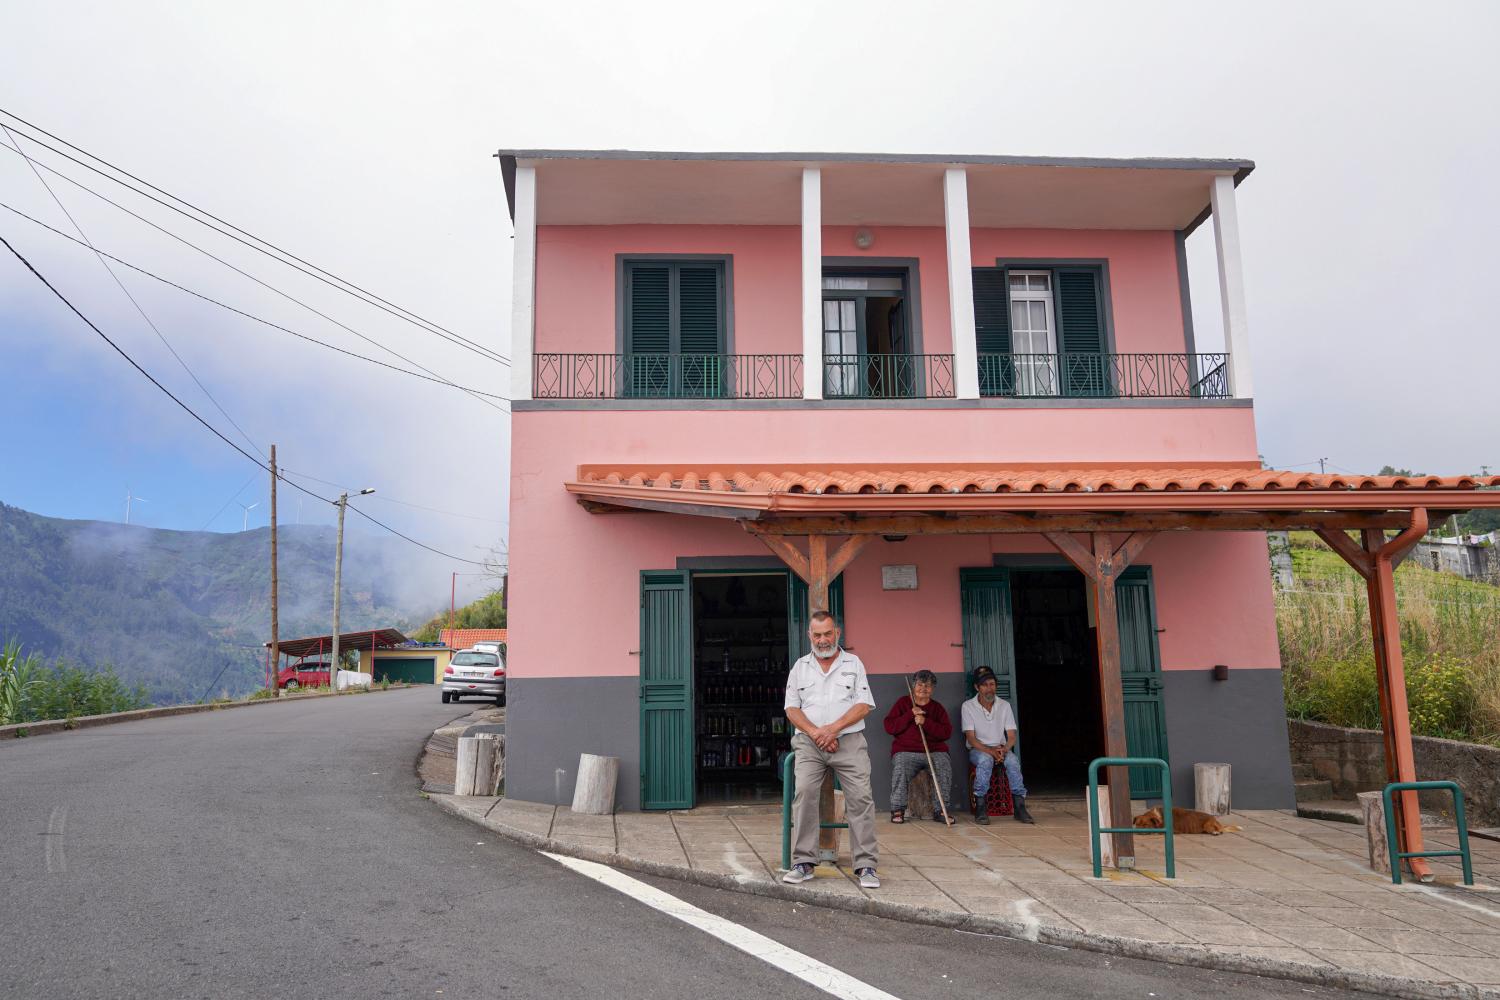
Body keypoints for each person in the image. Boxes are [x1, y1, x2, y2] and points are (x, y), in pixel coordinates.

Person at [782, 610, 880, 889]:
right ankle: (803, 862)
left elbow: (863, 705)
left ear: (837, 633)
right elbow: (791, 708)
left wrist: (833, 729)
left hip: (847, 740)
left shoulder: (854, 663)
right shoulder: (800, 667)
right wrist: (818, 733)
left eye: (828, 633)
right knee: (804, 794)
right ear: (809, 636)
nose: (823, 640)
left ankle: (866, 866)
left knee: (861, 797)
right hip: (810, 742)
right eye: (817, 634)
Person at [960, 667, 1034, 825]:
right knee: (985, 760)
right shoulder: (968, 706)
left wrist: (1005, 749)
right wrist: (990, 751)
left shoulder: (1004, 705)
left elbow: (1012, 735)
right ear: (976, 688)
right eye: (985, 685)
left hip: (1001, 748)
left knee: (1013, 762)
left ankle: (1020, 806)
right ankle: (981, 806)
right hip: (978, 749)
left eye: (992, 684)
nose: (989, 688)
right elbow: (971, 739)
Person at [882, 669, 956, 825]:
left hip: (934, 751)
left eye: (928, 686)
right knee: (900, 766)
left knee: (943, 765)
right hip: (906, 751)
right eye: (920, 685)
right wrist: (910, 714)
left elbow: (946, 732)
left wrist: (925, 722)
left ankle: (941, 810)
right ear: (914, 686)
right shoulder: (903, 703)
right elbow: (890, 727)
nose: (923, 688)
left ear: (933, 689)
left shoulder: (937, 708)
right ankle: (898, 809)